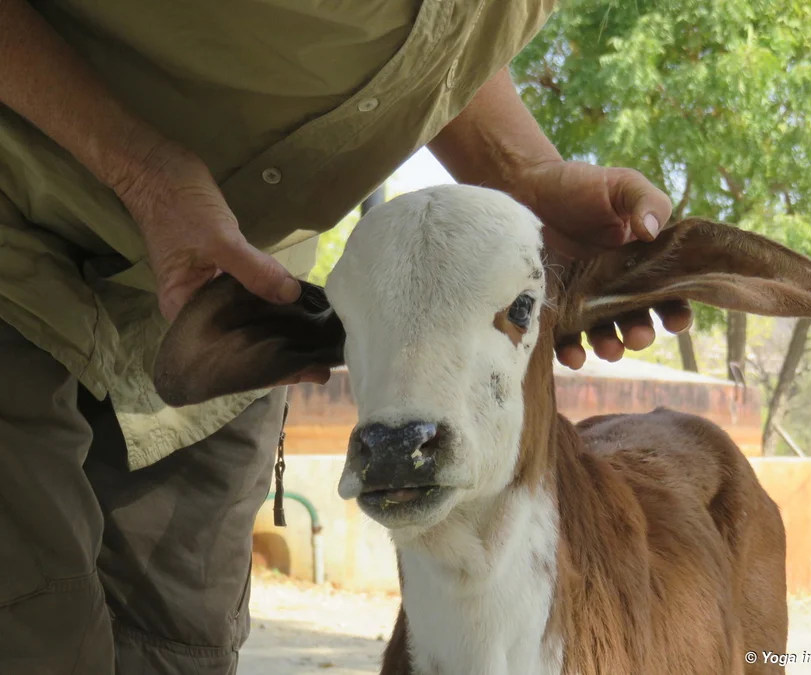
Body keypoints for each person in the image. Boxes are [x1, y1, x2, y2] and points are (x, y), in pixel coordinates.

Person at [0, 1, 691, 673]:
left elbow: (434, 33)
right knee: (33, 634)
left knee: (181, 641)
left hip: (236, 279)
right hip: (23, 243)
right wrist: (143, 176)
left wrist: (520, 173)